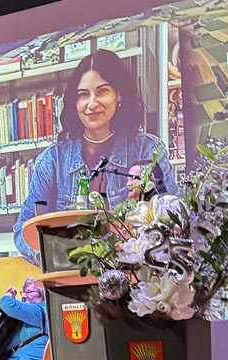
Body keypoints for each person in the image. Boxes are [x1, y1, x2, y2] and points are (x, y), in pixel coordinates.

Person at [13, 49, 179, 265]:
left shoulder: (148, 150)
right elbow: (22, 231)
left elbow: (177, 218)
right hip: (74, 279)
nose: (91, 104)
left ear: (119, 95)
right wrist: (56, 260)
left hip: (134, 278)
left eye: (102, 91)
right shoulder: (53, 161)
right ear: (74, 101)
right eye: (83, 94)